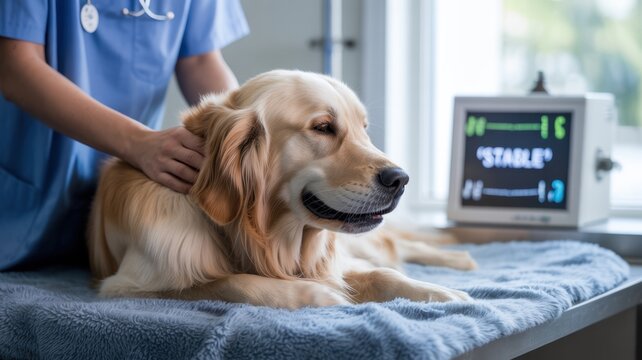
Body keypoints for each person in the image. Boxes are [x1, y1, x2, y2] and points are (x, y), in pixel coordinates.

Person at [0, 1, 249, 270]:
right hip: (23, 206)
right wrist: (137, 143)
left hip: (123, 203)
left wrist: (240, 139)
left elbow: (200, 59)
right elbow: (16, 67)